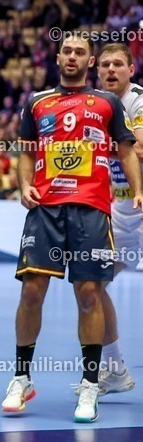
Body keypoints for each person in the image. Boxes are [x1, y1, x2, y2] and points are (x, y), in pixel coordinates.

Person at [3, 31, 142, 423]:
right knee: (32, 291)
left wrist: (139, 190)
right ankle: (21, 377)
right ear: (58, 56)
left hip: (92, 210)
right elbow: (26, 152)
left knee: (89, 295)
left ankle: (91, 384)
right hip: (45, 209)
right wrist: (24, 184)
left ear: (89, 62)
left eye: (81, 52)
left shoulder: (108, 103)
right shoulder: (36, 103)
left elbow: (127, 150)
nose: (73, 56)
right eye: (67, 50)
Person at [68, 42, 143, 396]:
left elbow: (139, 147)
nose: (112, 70)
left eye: (119, 64)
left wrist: (100, 144)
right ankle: (114, 370)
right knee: (90, 286)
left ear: (131, 70)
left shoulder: (137, 101)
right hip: (118, 214)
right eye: (106, 65)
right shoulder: (96, 105)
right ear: (97, 70)